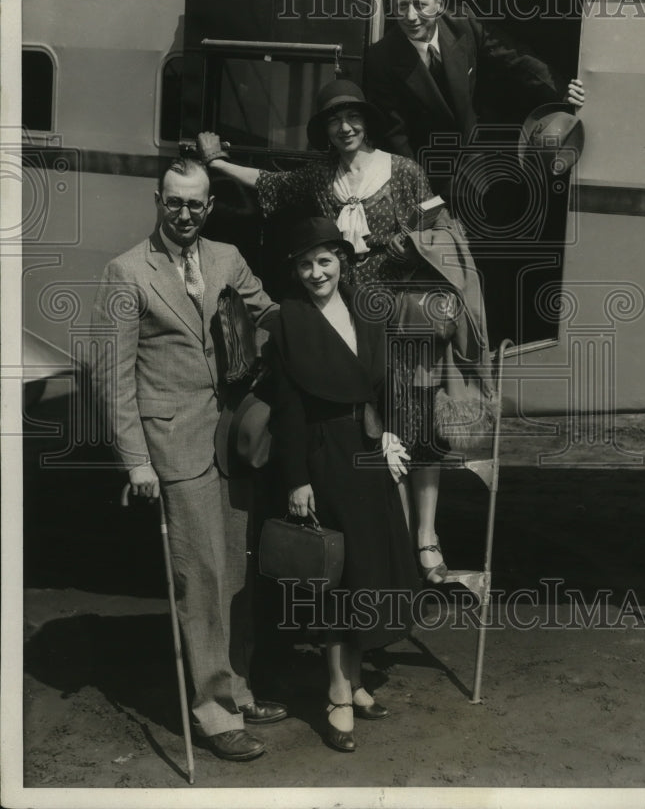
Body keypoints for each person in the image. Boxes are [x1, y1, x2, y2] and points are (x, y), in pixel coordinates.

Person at [197, 80, 467, 586]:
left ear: (367, 122)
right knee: (368, 430)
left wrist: (420, 258)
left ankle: (426, 539)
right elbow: (269, 184)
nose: (344, 128)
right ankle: (391, 547)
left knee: (415, 425)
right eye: (333, 121)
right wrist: (217, 166)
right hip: (346, 318)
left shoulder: (404, 171)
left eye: (352, 118)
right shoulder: (320, 177)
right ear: (324, 130)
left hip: (400, 315)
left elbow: (442, 228)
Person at [90, 156, 287, 763]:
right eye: (174, 202)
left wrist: (311, 326)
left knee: (234, 571)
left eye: (196, 204)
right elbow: (111, 378)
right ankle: (214, 713)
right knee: (200, 578)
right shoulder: (126, 272)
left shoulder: (227, 257)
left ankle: (241, 686)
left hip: (231, 438)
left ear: (209, 206)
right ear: (157, 199)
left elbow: (269, 314)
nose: (185, 213)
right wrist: (136, 462)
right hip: (173, 446)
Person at [268, 217, 419, 753]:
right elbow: (287, 411)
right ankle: (335, 692)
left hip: (367, 448)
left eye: (325, 261)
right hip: (324, 454)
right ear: (295, 269)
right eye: (305, 264)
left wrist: (390, 434)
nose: (316, 273)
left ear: (342, 261)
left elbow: (383, 381)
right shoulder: (288, 321)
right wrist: (297, 480)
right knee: (335, 579)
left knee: (366, 571)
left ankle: (354, 682)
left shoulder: (365, 309)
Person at [363, 0, 585, 196]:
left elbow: (513, 56)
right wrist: (418, 190)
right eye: (402, 5)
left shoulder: (463, 23)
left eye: (420, 5)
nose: (410, 16)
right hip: (426, 170)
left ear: (439, 4)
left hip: (476, 157)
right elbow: (395, 136)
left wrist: (561, 89)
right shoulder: (381, 58)